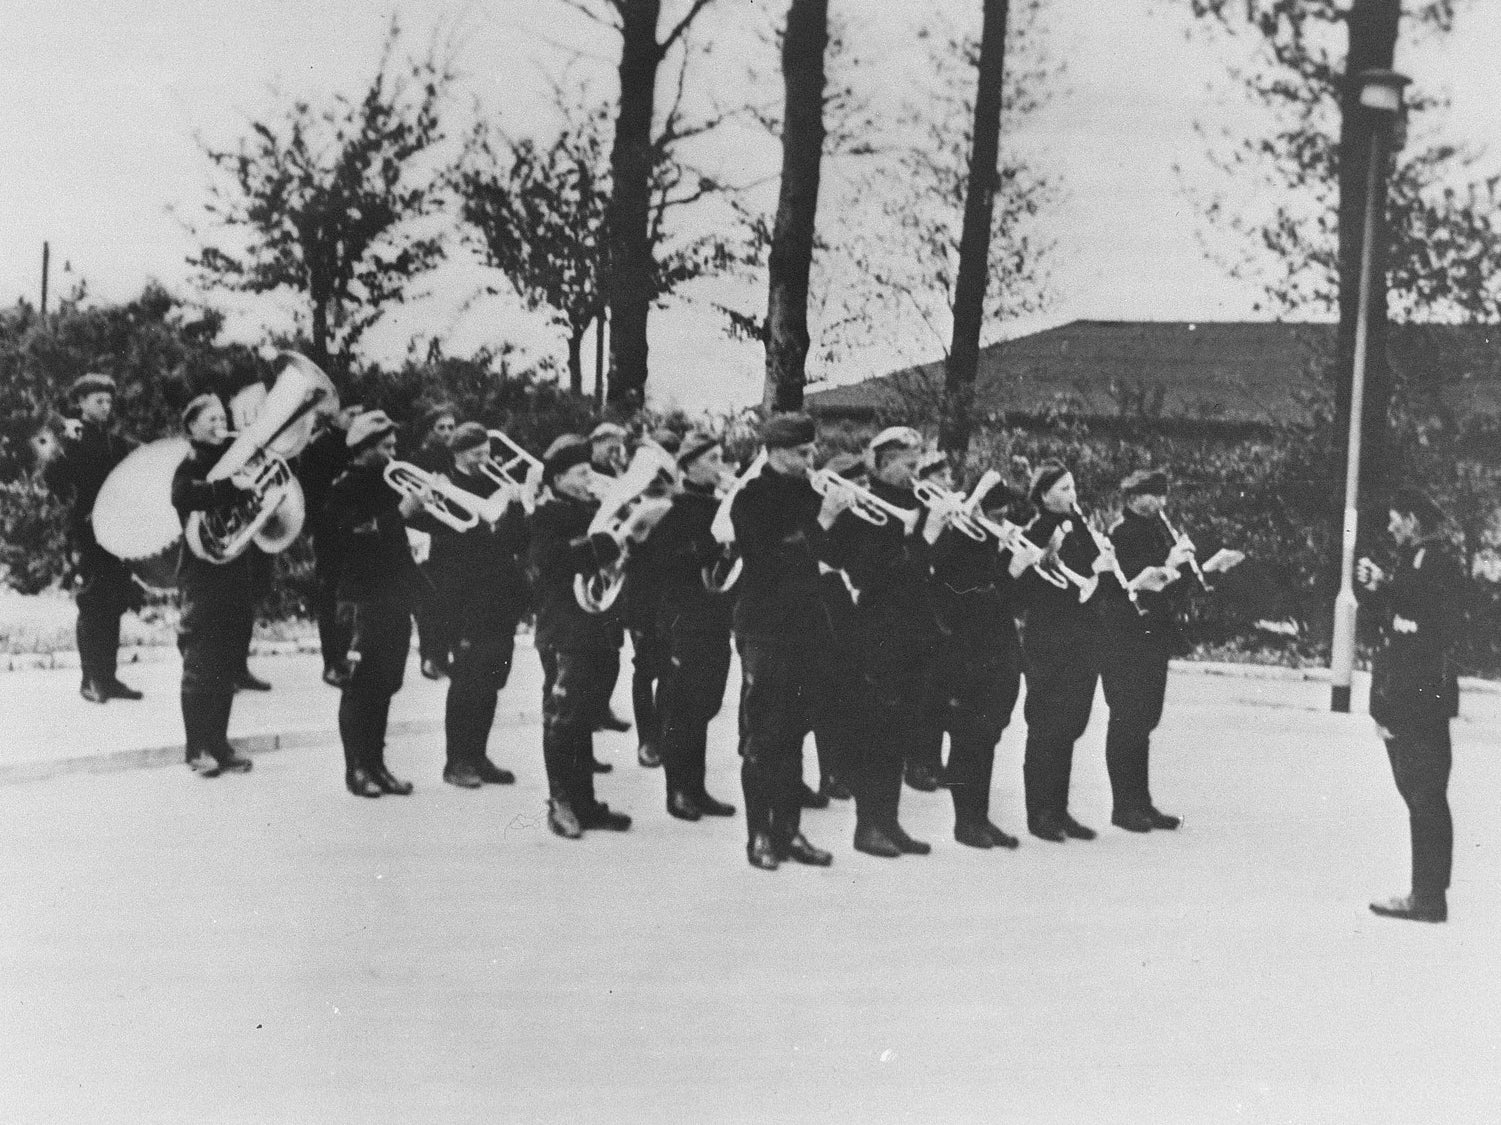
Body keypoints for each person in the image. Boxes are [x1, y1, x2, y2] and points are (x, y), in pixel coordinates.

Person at [529, 435, 670, 838]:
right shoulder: (546, 515)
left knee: (587, 714)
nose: (588, 480)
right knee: (563, 716)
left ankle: (585, 801)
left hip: (600, 625)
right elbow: (549, 561)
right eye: (579, 474)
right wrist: (602, 543)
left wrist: (631, 539)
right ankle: (561, 803)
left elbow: (614, 558)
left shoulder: (592, 509)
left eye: (588, 472)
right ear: (557, 478)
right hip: (564, 626)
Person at [730, 412, 846, 871]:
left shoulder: (810, 492)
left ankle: (789, 830)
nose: (810, 458)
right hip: (763, 626)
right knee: (763, 735)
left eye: (811, 450)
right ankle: (759, 835)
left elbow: (831, 556)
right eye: (801, 452)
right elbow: (769, 560)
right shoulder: (751, 497)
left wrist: (838, 522)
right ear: (774, 451)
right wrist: (824, 519)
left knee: (795, 732)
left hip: (807, 626)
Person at [824, 426, 947, 859]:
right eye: (909, 466)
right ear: (881, 463)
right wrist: (926, 539)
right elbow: (873, 574)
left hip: (914, 630)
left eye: (918, 464)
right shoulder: (861, 507)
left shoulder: (914, 503)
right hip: (877, 631)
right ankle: (867, 826)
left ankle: (890, 821)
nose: (917, 475)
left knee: (900, 732)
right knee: (875, 730)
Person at [923, 459, 1042, 849]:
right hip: (967, 653)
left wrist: (1023, 568)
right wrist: (1010, 573)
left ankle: (980, 817)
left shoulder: (994, 541)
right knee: (967, 738)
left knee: (987, 737)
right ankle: (965, 822)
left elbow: (1014, 605)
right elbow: (968, 603)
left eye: (1004, 510)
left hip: (1000, 651)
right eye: (992, 510)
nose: (1001, 517)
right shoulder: (956, 543)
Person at [1358, 487, 1463, 924]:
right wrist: (1381, 588)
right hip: (1416, 696)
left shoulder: (1430, 562)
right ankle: (1428, 892)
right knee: (1421, 793)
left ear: (1414, 521)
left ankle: (1427, 896)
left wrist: (1386, 586)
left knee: (1423, 794)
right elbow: (1402, 613)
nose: (1389, 526)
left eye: (1395, 518)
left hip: (1418, 698)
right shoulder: (1419, 562)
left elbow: (1419, 630)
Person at [1016, 461, 1120, 843]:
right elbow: (1027, 590)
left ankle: (1058, 810)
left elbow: (1097, 580)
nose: (1071, 495)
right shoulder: (1036, 531)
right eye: (1062, 489)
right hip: (1049, 639)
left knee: (1071, 724)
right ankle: (1039, 813)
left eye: (1072, 487)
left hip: (1083, 638)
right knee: (1045, 725)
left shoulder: (1079, 527)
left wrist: (1105, 568)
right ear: (1043, 495)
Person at [326, 411, 428, 798]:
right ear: (363, 449)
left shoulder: (391, 483)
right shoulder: (344, 487)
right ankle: (357, 769)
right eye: (385, 447)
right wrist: (399, 515)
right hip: (361, 597)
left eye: (393, 446)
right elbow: (351, 536)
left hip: (393, 595)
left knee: (385, 683)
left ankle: (378, 764)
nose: (393, 453)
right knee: (359, 686)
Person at [644, 430, 738, 821]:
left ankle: (696, 787)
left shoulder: (721, 505)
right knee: (682, 707)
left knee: (706, 703)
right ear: (689, 465)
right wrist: (714, 546)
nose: (721, 466)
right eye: (712, 459)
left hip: (715, 615)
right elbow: (665, 561)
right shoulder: (673, 507)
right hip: (683, 616)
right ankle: (677, 789)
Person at [434, 423, 530, 789]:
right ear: (458, 454)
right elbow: (448, 543)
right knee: (466, 681)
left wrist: (520, 507)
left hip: (501, 597)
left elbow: (519, 539)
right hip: (464, 598)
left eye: (487, 451)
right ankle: (455, 761)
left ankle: (478, 755)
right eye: (476, 453)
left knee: (491, 680)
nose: (484, 459)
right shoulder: (444, 487)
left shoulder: (499, 484)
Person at [38, 373, 143, 704]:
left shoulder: (115, 442)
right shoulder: (71, 438)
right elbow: (50, 475)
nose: (106, 406)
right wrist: (59, 440)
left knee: (114, 602)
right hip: (87, 532)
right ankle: (89, 680)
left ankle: (108, 678)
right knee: (93, 602)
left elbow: (143, 460)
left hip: (117, 531)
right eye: (99, 400)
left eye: (109, 400)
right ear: (81, 403)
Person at [1098, 469, 1194, 833]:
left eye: (1163, 495)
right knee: (1127, 719)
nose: (1160, 502)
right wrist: (1168, 564)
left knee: (1146, 720)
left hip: (1154, 634)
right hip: (1124, 636)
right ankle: (1124, 806)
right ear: (1133, 497)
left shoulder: (1158, 529)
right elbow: (1127, 586)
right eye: (1152, 495)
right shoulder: (1121, 533)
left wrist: (1185, 569)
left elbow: (1169, 589)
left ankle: (1143, 802)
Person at [169, 394, 255, 777]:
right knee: (202, 660)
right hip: (204, 572)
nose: (220, 423)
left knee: (228, 661)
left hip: (235, 569)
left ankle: (219, 743)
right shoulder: (190, 463)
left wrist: (251, 490)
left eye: (223, 417)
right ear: (191, 427)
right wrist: (231, 488)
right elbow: (183, 495)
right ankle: (197, 747)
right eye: (210, 419)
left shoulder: (234, 456)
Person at [620, 427, 680, 768]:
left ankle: (662, 735)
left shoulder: (678, 501)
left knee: (670, 671)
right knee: (646, 670)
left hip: (671, 598)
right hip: (643, 598)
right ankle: (647, 740)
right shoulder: (630, 500)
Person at [809, 453, 866, 804]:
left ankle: (841, 768)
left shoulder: (859, 518)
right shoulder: (823, 514)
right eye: (856, 483)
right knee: (826, 690)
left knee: (847, 686)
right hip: (821, 595)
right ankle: (830, 772)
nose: (862, 490)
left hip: (846, 597)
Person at [295, 401, 362, 687]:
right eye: (351, 413)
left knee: (351, 595)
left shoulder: (358, 444)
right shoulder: (318, 447)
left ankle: (347, 655)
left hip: (355, 532)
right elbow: (309, 495)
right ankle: (331, 662)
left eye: (360, 414)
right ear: (334, 414)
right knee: (330, 596)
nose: (356, 419)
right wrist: (317, 529)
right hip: (330, 532)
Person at [587, 420, 633, 737]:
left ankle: (601, 708)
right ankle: (588, 711)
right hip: (591, 564)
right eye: (611, 444)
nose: (616, 450)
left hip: (614, 562)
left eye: (620, 444)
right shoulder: (584, 471)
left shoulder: (621, 473)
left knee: (612, 646)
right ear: (597, 442)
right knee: (591, 647)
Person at [410, 403, 459, 680]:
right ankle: (431, 658)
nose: (447, 433)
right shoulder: (418, 460)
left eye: (451, 427)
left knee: (452, 599)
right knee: (429, 602)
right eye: (441, 428)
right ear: (429, 431)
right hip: (428, 536)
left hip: (452, 535)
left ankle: (446, 655)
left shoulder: (455, 458)